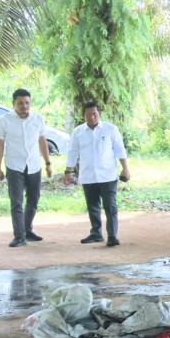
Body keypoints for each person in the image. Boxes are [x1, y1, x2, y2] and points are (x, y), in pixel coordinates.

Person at [63, 101, 131, 246]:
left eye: (94, 114)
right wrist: (68, 172)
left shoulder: (110, 129)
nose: (92, 117)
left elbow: (120, 149)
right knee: (93, 206)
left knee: (110, 206)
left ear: (99, 114)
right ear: (83, 115)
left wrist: (125, 168)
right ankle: (96, 233)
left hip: (108, 175)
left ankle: (112, 236)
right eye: (88, 114)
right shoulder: (78, 132)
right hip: (88, 175)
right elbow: (72, 152)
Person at [0, 89, 51, 248]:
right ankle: (19, 236)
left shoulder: (38, 119)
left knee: (33, 200)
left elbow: (42, 141)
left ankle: (27, 229)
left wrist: (48, 163)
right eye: (20, 103)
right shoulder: (4, 120)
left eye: (27, 103)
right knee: (16, 202)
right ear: (13, 103)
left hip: (34, 165)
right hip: (14, 165)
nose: (24, 106)